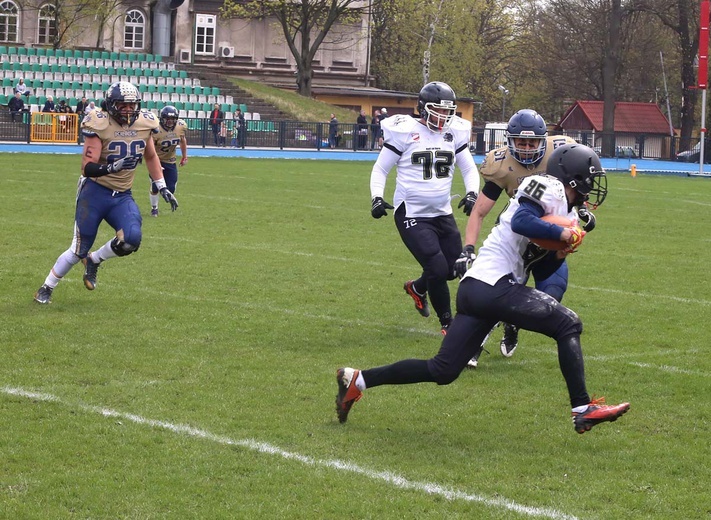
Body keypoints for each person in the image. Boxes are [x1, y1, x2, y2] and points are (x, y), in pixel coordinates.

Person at [336, 143, 631, 435]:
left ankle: (357, 381)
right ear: (574, 176)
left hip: (479, 289)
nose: (592, 187)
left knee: (443, 370)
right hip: (493, 284)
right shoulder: (546, 185)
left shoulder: (563, 209)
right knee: (568, 324)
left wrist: (559, 253)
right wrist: (563, 233)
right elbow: (521, 220)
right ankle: (582, 408)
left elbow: (538, 269)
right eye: (590, 178)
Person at [455, 109, 585, 368]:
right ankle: (473, 347)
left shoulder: (560, 155)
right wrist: (467, 248)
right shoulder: (502, 166)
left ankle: (514, 322)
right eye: (521, 142)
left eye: (532, 142)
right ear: (509, 141)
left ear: (543, 141)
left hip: (550, 238)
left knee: (551, 298)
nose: (526, 148)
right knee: (495, 295)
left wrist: (583, 214)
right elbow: (479, 212)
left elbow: (578, 187)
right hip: (519, 239)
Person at [33, 81, 178, 305]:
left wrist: (162, 186)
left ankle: (94, 261)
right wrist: (111, 167)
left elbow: (150, 156)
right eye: (123, 105)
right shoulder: (98, 123)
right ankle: (46, 287)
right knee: (78, 248)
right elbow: (87, 167)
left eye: (132, 105)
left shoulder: (145, 123)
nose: (128, 110)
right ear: (111, 105)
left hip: (122, 195)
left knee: (131, 239)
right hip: (95, 190)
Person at [369, 81, 480, 335]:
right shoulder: (404, 131)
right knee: (437, 269)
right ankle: (448, 325)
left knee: (453, 269)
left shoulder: (455, 132)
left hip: (442, 211)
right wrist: (376, 197)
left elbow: (468, 167)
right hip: (412, 212)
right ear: (422, 108)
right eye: (438, 110)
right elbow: (381, 168)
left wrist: (472, 193)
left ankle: (418, 288)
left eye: (447, 111)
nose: (443, 116)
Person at [149, 105, 188, 217]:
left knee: (171, 188)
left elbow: (182, 140)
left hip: (171, 160)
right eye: (168, 119)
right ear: (162, 118)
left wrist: (184, 156)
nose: (170, 121)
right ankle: (154, 208)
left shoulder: (180, 127)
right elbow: (149, 148)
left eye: (173, 119)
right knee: (155, 186)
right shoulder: (156, 130)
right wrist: (154, 164)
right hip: (157, 160)